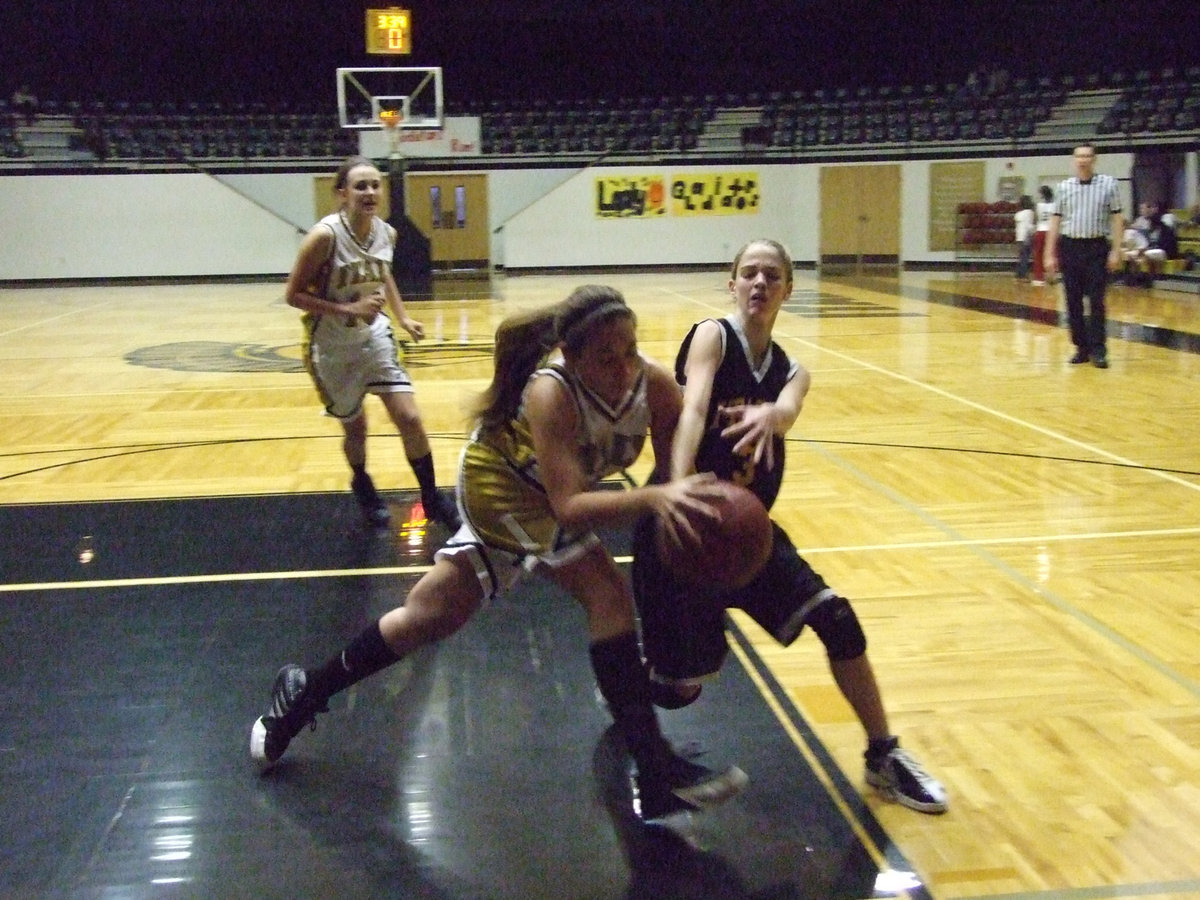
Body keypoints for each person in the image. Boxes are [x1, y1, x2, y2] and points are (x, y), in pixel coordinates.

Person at [250, 285, 748, 821]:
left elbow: (672, 472)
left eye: (630, 349)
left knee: (429, 615)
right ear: (570, 358)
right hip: (500, 487)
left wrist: (694, 517)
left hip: (541, 496)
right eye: (606, 357)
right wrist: (654, 499)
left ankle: (299, 698)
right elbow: (572, 507)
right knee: (607, 594)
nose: (623, 365)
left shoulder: (652, 385)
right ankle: (656, 771)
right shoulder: (550, 394)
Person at [632, 239, 948, 815]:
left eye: (771, 275)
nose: (758, 283)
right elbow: (694, 409)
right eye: (748, 273)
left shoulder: (792, 372)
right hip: (685, 529)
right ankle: (631, 693)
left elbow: (790, 406)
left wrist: (773, 414)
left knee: (839, 620)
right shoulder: (713, 336)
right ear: (731, 284)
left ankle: (883, 756)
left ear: (788, 290)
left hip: (747, 537)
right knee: (681, 688)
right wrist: (675, 488)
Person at [286, 156, 458, 529]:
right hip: (331, 344)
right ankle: (362, 481)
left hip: (374, 335)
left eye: (375, 185)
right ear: (342, 194)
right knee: (356, 427)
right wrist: (348, 306)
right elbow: (293, 295)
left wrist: (401, 316)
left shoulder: (388, 233)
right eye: (360, 186)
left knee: (409, 417)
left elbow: (384, 275)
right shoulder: (324, 237)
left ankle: (432, 496)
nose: (369, 192)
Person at [1044, 144, 1124, 369]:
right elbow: (1055, 221)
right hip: (1070, 247)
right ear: (1074, 160)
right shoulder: (1064, 187)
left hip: (1097, 247)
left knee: (1097, 300)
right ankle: (1081, 347)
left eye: (1087, 156)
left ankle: (1099, 350)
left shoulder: (1109, 184)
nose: (1083, 160)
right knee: (1073, 301)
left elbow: (1118, 219)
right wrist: (1049, 253)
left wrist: (1117, 250)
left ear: (1094, 159)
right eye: (1079, 156)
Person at [1031, 185, 1055, 285]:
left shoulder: (1038, 205)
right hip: (1051, 231)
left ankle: (1039, 278)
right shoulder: (1055, 205)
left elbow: (1035, 219)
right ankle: (1052, 276)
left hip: (1041, 230)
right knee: (1051, 254)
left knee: (1038, 255)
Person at [1013, 195, 1035, 281]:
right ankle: (1023, 274)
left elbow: (1016, 219)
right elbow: (1030, 226)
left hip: (1019, 237)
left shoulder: (1018, 214)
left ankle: (1019, 273)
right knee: (1025, 257)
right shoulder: (1030, 213)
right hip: (1027, 236)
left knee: (1022, 256)